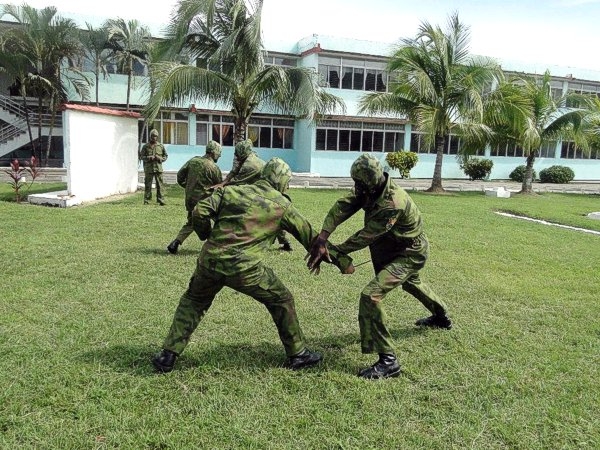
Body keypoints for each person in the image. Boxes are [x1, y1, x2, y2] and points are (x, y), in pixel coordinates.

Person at [152, 157, 353, 373]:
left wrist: (206, 235)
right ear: (281, 181)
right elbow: (313, 239)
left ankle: (168, 355)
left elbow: (199, 211)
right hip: (245, 269)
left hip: (209, 262)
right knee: (281, 299)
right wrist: (344, 263)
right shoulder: (282, 205)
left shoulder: (231, 191)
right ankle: (298, 354)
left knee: (194, 301)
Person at [306, 154, 451, 380]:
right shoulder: (370, 188)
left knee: (370, 295)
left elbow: (367, 235)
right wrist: (323, 237)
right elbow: (344, 205)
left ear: (370, 181)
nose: (356, 188)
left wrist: (336, 251)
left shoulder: (392, 202)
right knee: (411, 284)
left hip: (409, 253)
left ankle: (389, 361)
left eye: (359, 183)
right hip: (390, 247)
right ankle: (441, 316)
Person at [215, 139, 293, 251]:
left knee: (274, 216)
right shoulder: (248, 157)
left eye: (237, 153)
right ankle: (285, 242)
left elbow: (237, 181)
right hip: (263, 190)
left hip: (270, 191)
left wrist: (221, 187)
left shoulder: (249, 164)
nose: (236, 156)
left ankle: (285, 242)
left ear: (242, 152)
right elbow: (234, 171)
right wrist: (223, 182)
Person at [167, 141, 223, 254]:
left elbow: (180, 176)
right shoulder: (213, 168)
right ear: (214, 153)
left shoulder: (193, 161)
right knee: (219, 220)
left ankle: (176, 242)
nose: (219, 156)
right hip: (205, 202)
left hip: (191, 200)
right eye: (219, 153)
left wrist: (188, 187)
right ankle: (216, 245)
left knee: (191, 222)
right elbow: (220, 185)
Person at [140, 129, 168, 205]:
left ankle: (161, 200)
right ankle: (147, 200)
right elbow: (141, 157)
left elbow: (165, 156)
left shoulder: (161, 146)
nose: (154, 138)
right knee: (148, 185)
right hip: (149, 169)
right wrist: (149, 157)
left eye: (155, 136)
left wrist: (160, 158)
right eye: (152, 136)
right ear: (150, 137)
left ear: (157, 137)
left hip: (158, 168)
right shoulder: (146, 146)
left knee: (160, 185)